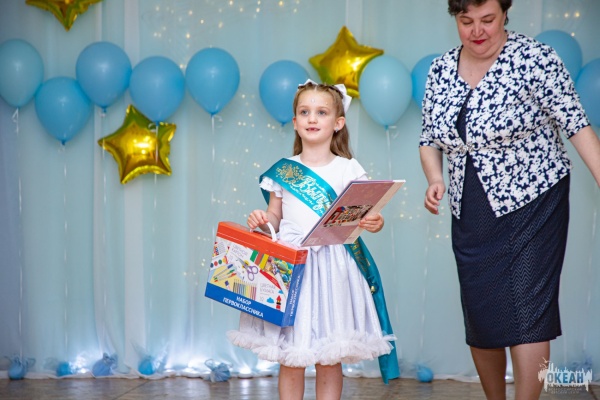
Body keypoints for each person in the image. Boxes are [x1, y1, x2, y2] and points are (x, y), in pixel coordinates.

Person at [419, 0, 600, 399]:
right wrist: (435, 178)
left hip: (534, 200)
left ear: (505, 13)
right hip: (471, 206)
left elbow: (577, 125)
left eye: (487, 20)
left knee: (528, 311)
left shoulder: (536, 58)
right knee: (482, 313)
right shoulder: (440, 69)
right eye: (466, 21)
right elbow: (429, 139)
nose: (476, 31)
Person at [228, 80, 399, 400]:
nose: (312, 118)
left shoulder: (349, 169)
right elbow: (275, 218)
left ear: (338, 123)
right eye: (305, 112)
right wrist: (263, 222)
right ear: (295, 122)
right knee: (291, 357)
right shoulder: (284, 170)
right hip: (293, 267)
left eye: (321, 112)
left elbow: (366, 215)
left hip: (334, 268)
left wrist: (375, 222)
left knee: (329, 357)